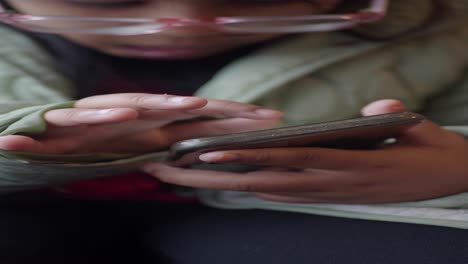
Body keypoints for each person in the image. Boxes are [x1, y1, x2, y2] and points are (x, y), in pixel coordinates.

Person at [0, 0, 468, 263]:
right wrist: (18, 152)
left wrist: (456, 170)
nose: (179, 28)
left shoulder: (444, 27)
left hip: (296, 213)